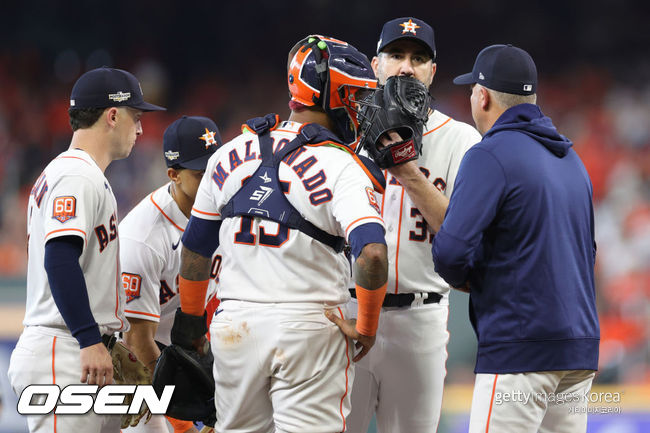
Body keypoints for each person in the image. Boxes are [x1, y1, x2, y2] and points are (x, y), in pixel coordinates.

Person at [171, 35, 389, 433]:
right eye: (356, 96)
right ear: (334, 97)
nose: (361, 107)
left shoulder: (228, 151)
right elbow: (371, 253)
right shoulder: (343, 166)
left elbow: (195, 250)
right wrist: (367, 326)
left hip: (234, 324)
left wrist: (189, 326)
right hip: (309, 325)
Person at [431, 44, 599, 432]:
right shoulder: (572, 160)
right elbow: (587, 252)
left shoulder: (490, 154)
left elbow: (452, 251)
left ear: (483, 95)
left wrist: (472, 279)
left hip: (520, 349)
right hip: (578, 350)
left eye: (473, 88)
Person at [8, 67, 165, 433]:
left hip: (80, 349)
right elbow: (60, 260)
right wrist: (89, 338)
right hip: (65, 349)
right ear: (112, 115)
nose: (140, 129)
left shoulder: (82, 174)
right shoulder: (77, 175)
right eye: (135, 117)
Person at [346, 17, 481, 433]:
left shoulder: (461, 140)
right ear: (375, 64)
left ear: (432, 71)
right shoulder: (343, 136)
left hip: (421, 318)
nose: (406, 67)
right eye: (397, 56)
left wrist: (407, 171)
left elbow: (463, 237)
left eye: (418, 58)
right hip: (347, 311)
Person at [120, 115, 223, 433]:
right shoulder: (143, 236)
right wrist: (181, 423)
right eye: (200, 174)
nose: (212, 182)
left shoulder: (230, 210)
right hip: (135, 363)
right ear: (173, 175)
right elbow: (136, 340)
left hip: (191, 350)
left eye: (216, 170)